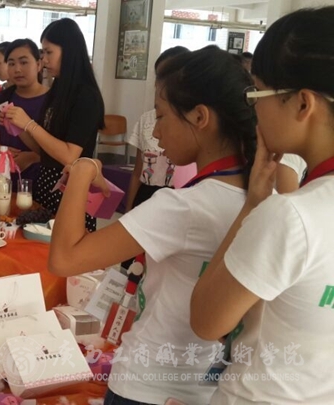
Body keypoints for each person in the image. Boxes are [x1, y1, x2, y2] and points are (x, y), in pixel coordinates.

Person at [49, 47, 257, 405]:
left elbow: (64, 259)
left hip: (146, 385)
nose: (156, 133)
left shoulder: (183, 206)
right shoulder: (264, 199)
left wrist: (83, 169)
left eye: (161, 116)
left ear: (200, 117)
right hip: (211, 388)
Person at [191, 7, 334, 404]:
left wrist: (253, 205)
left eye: (256, 93)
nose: (253, 109)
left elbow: (206, 320)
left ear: (302, 104)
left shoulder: (291, 216)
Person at [4, 18, 105, 231]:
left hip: (71, 190)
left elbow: (69, 156)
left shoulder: (86, 96)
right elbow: (44, 149)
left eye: (49, 52)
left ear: (68, 51)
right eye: (43, 52)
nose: (44, 59)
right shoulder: (58, 90)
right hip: (47, 186)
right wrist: (17, 127)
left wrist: (29, 124)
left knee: (64, 247)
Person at [124, 46, 191, 213]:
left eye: (168, 76)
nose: (159, 83)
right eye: (159, 76)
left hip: (179, 200)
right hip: (146, 197)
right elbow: (137, 171)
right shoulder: (146, 119)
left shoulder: (194, 123)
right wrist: (128, 210)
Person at [0, 39, 47, 186]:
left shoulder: (53, 101)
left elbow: (64, 151)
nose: (17, 69)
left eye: (24, 62)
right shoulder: (1, 98)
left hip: (43, 183)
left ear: (39, 64)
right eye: (11, 63)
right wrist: (2, 150)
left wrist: (34, 157)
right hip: (5, 181)